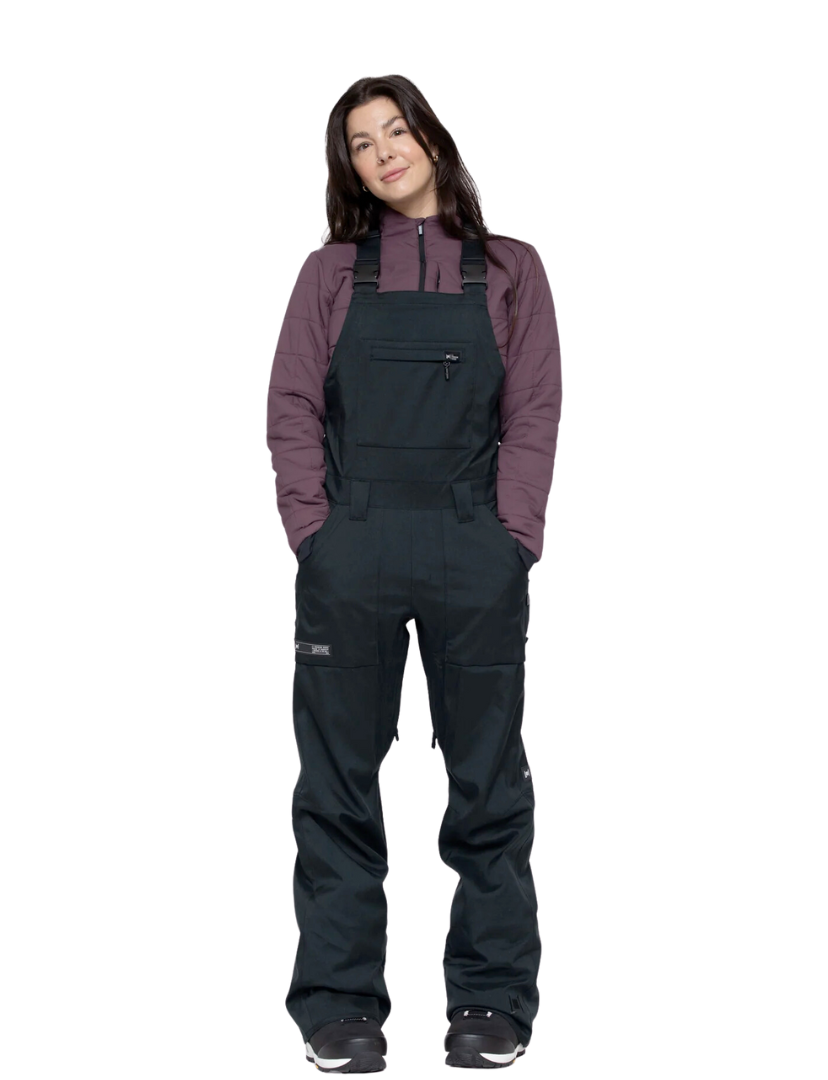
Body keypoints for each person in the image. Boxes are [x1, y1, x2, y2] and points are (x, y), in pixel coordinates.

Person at [265, 75, 562, 1072]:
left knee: (489, 782)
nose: (384, 150)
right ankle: (339, 1008)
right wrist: (315, 532)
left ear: (430, 137)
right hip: (352, 548)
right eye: (361, 142)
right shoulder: (330, 274)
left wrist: (513, 537)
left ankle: (490, 1001)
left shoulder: (510, 270)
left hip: (475, 547)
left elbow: (534, 409)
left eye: (396, 130)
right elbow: (292, 406)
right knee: (336, 785)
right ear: (348, 167)